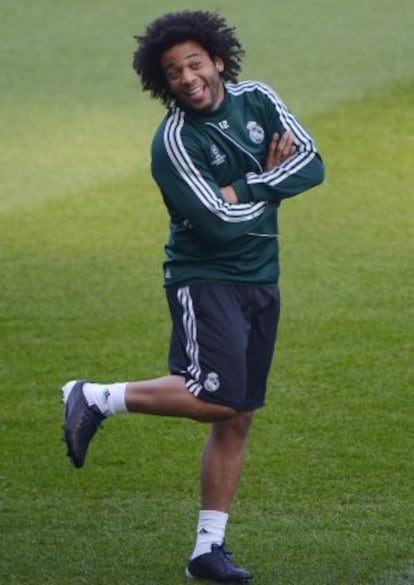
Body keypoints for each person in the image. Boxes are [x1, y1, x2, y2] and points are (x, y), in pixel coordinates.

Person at [60, 10, 324, 583]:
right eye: (173, 71)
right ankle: (97, 396)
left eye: (194, 63)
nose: (186, 77)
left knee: (238, 417)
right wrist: (269, 182)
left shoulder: (259, 99)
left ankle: (207, 551)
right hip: (206, 278)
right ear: (164, 83)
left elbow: (312, 164)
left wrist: (246, 185)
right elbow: (221, 223)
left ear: (218, 61)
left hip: (261, 277)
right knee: (218, 397)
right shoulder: (174, 141)